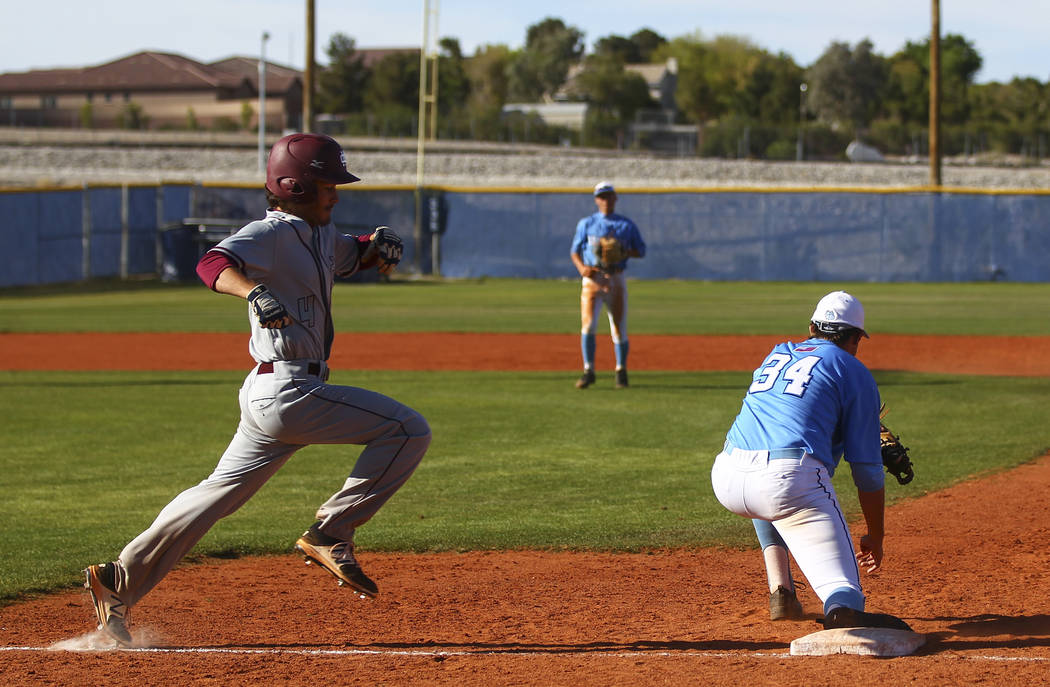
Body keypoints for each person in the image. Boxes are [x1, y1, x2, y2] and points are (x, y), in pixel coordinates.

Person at [83, 133, 432, 647]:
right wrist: (253, 290)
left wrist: (375, 248)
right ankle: (332, 532)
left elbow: (348, 255)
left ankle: (119, 579)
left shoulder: (317, 233)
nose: (335, 193)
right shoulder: (270, 234)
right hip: (290, 390)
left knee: (215, 496)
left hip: (273, 394)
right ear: (294, 187)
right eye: (326, 184)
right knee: (408, 430)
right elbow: (211, 264)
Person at [710, 291, 911, 631]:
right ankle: (843, 606)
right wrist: (876, 535)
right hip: (785, 482)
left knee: (770, 484)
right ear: (855, 339)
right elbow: (867, 473)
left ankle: (781, 591)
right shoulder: (853, 369)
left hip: (727, 475)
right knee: (844, 593)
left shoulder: (778, 352)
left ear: (812, 328)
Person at [569, 181, 646, 389]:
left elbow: (641, 250)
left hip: (616, 278)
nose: (605, 200)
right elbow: (574, 251)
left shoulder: (626, 225)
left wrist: (624, 251)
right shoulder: (587, 223)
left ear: (615, 198)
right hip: (593, 278)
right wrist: (581, 268)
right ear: (596, 200)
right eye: (601, 196)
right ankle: (588, 370)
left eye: (608, 195)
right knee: (588, 326)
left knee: (619, 328)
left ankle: (621, 371)